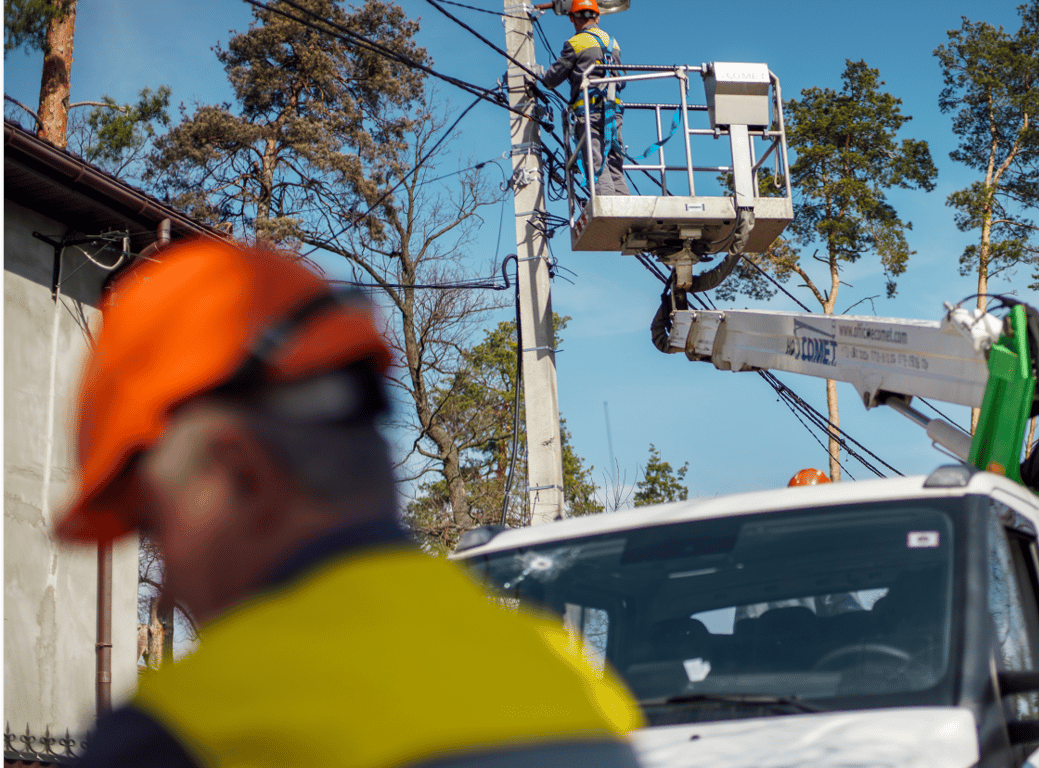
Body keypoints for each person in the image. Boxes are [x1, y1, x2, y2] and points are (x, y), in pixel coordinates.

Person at [62, 239, 644, 767]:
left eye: (154, 527)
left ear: (241, 474)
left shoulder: (188, 735)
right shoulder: (576, 683)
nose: (164, 587)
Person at [542, 0, 629, 196]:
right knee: (615, 164)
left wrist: (540, 78)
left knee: (595, 162)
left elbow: (552, 78)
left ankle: (609, 211)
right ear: (597, 17)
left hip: (590, 114)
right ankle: (626, 209)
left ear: (572, 19)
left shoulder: (576, 43)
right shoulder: (612, 42)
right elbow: (622, 77)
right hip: (614, 113)